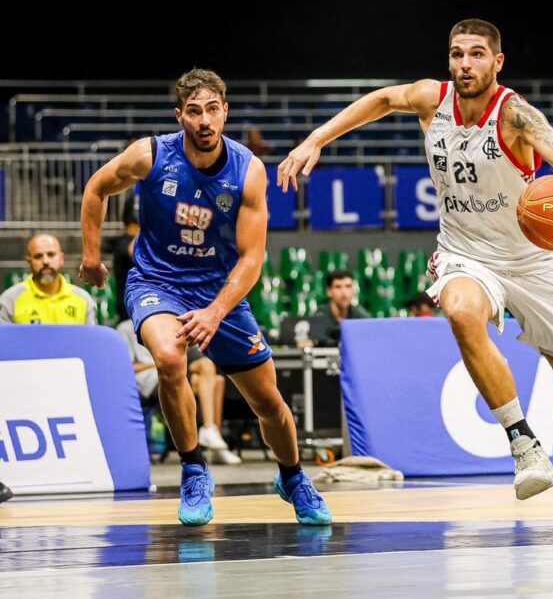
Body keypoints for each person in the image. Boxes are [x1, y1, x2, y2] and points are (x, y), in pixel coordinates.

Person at [279, 18, 553, 528]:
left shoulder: (515, 115)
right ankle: (524, 443)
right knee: (462, 312)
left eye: (478, 54)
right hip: (465, 252)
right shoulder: (430, 99)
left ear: (497, 62)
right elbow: (379, 100)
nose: (466, 63)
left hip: (531, 261)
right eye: (458, 53)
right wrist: (317, 138)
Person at [79, 69, 330, 527]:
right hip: (157, 283)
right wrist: (92, 257)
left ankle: (292, 477)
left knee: (269, 403)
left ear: (225, 113)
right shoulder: (150, 154)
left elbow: (252, 259)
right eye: (193, 111)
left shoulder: (248, 170)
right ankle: (194, 470)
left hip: (221, 291)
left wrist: (217, 311)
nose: (204, 120)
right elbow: (97, 187)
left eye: (212, 109)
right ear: (181, 117)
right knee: (171, 361)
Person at [0, 234, 96, 324]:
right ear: (29, 262)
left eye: (51, 255)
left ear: (61, 259)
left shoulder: (83, 300)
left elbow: (91, 340)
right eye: (38, 256)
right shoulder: (10, 300)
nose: (45, 261)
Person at [188, 350, 242, 464]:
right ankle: (209, 428)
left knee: (218, 381)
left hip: (184, 364)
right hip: (159, 371)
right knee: (206, 364)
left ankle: (216, 445)